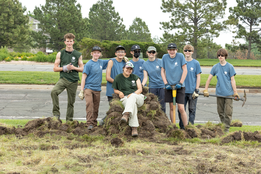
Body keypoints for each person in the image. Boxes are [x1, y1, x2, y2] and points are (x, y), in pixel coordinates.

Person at [203, 48, 239, 132]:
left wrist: (235, 92)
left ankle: (226, 128)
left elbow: (232, 80)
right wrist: (205, 89)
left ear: (225, 56)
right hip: (219, 93)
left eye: (222, 55)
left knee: (228, 111)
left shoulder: (230, 67)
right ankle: (223, 125)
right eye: (219, 55)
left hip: (229, 93)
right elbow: (209, 79)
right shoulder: (215, 67)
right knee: (220, 111)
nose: (220, 57)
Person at [51, 33, 84, 121]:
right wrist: (65, 68)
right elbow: (55, 68)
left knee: (71, 102)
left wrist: (73, 68)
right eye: (68, 41)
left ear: (73, 42)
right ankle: (56, 114)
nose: (69, 43)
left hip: (73, 81)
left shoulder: (78, 54)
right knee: (54, 92)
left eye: (71, 41)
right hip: (63, 79)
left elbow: (82, 69)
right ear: (65, 42)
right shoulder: (60, 53)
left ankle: (69, 120)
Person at [78, 46, 108, 130]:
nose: (96, 54)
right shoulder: (88, 64)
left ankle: (94, 122)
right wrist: (81, 90)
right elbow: (84, 77)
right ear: (92, 54)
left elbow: (111, 61)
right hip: (88, 88)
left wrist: (122, 57)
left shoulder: (101, 62)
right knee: (89, 105)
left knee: (96, 107)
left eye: (98, 53)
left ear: (100, 54)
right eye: (94, 52)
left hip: (97, 89)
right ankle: (89, 123)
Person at [112, 62, 144, 137]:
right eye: (127, 68)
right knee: (133, 105)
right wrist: (119, 92)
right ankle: (134, 128)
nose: (128, 70)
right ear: (123, 68)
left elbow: (140, 89)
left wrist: (133, 94)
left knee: (132, 97)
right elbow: (115, 90)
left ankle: (126, 114)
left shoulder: (135, 77)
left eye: (130, 69)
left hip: (137, 96)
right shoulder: (118, 77)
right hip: (126, 98)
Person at [161, 43, 188, 127]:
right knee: (172, 107)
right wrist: (166, 83)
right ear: (167, 50)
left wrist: (180, 82)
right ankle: (173, 127)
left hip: (179, 86)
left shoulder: (180, 56)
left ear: (176, 50)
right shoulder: (165, 57)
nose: (171, 51)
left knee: (181, 108)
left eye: (173, 50)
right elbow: (162, 71)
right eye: (170, 50)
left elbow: (185, 70)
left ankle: (187, 127)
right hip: (169, 86)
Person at [178, 44, 202, 129]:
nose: (187, 52)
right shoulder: (180, 62)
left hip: (192, 91)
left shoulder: (196, 63)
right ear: (183, 52)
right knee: (181, 109)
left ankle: (190, 127)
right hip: (182, 90)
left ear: (192, 52)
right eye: (185, 50)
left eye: (189, 50)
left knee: (192, 110)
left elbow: (198, 76)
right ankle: (182, 127)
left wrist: (196, 89)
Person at [142, 46, 165, 112]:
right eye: (150, 52)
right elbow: (145, 77)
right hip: (152, 87)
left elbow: (165, 73)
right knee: (152, 105)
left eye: (153, 52)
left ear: (155, 53)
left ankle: (163, 121)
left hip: (162, 86)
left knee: (162, 105)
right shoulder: (145, 64)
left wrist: (166, 84)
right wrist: (142, 85)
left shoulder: (161, 62)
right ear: (147, 53)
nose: (151, 53)